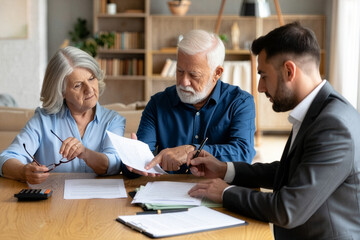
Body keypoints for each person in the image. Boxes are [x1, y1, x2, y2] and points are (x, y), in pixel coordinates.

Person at [187, 22, 360, 239]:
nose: (260, 87)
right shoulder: (321, 110)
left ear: (289, 71)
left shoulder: (334, 125)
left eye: (263, 75)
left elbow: (288, 209)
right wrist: (225, 170)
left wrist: (225, 192)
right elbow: (292, 171)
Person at [0, 46, 136, 184]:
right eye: (78, 85)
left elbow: (114, 164)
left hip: (98, 202)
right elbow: (6, 158)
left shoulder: (113, 120)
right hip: (53, 201)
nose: (89, 90)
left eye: (91, 78)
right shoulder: (43, 120)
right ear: (62, 92)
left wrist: (85, 153)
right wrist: (23, 171)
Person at [134, 29, 256, 174]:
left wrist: (193, 151)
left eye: (194, 75)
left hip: (217, 191)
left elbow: (243, 154)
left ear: (217, 73)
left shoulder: (240, 102)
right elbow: (139, 162)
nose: (184, 82)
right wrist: (133, 159)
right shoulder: (158, 103)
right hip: (167, 191)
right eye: (179, 71)